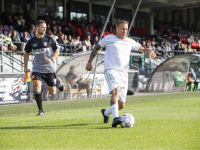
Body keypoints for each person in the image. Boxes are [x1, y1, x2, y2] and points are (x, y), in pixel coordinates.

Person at [85, 20, 156, 127]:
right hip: (111, 69)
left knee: (121, 105)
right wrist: (90, 62)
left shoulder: (130, 41)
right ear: (116, 29)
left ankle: (105, 113)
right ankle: (115, 119)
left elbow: (142, 49)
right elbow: (96, 48)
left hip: (123, 74)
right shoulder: (109, 38)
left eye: (126, 29)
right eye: (122, 28)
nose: (125, 31)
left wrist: (149, 51)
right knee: (116, 91)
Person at [24, 20, 64, 116]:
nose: (45, 29)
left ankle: (57, 82)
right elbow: (26, 53)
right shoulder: (31, 41)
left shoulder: (50, 39)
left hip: (49, 69)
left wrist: (51, 59)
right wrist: (25, 67)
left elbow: (57, 51)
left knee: (52, 92)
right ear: (36, 28)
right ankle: (41, 111)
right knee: (37, 87)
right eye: (42, 27)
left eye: (45, 27)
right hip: (37, 69)